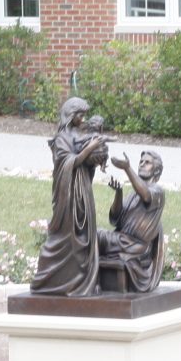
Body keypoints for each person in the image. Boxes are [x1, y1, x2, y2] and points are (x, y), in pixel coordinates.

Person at [30, 96, 110, 296]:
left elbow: (85, 160)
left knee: (84, 232)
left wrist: (96, 157)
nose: (83, 119)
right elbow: (67, 163)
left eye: (84, 115)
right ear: (70, 115)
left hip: (82, 187)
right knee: (68, 231)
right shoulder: (61, 139)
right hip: (67, 190)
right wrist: (89, 149)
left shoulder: (79, 134)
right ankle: (53, 278)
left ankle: (83, 280)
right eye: (80, 115)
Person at [99, 150, 166, 294]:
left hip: (133, 245)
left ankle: (87, 281)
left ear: (157, 170)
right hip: (121, 240)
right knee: (88, 234)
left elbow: (146, 196)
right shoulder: (133, 194)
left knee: (93, 235)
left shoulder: (157, 191)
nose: (142, 164)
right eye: (141, 162)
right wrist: (118, 194)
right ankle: (87, 280)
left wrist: (127, 168)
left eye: (147, 163)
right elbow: (116, 219)